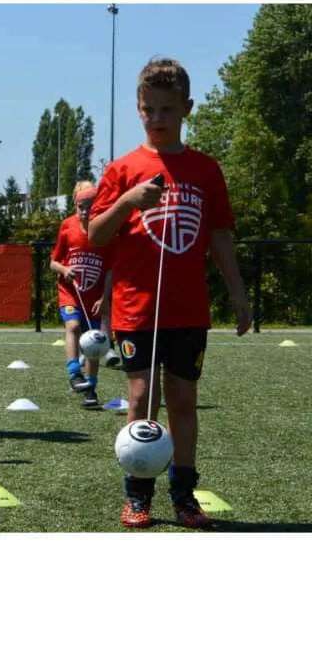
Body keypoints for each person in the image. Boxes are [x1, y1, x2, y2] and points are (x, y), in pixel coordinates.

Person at [88, 57, 252, 529]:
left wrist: (237, 293)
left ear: (187, 109)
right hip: (137, 308)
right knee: (140, 397)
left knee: (183, 400)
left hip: (188, 309)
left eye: (166, 110)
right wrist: (127, 201)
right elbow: (96, 234)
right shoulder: (122, 170)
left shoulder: (205, 169)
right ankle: (137, 494)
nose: (156, 119)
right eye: (148, 109)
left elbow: (220, 235)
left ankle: (184, 494)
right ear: (138, 109)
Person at [50, 181, 113, 408]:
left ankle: (91, 388)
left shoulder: (106, 231)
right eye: (81, 206)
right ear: (75, 206)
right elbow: (53, 262)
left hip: (94, 297)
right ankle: (74, 372)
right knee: (74, 327)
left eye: (91, 206)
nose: (86, 211)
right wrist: (65, 270)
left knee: (94, 342)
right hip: (70, 293)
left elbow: (109, 270)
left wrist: (105, 298)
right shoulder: (68, 226)